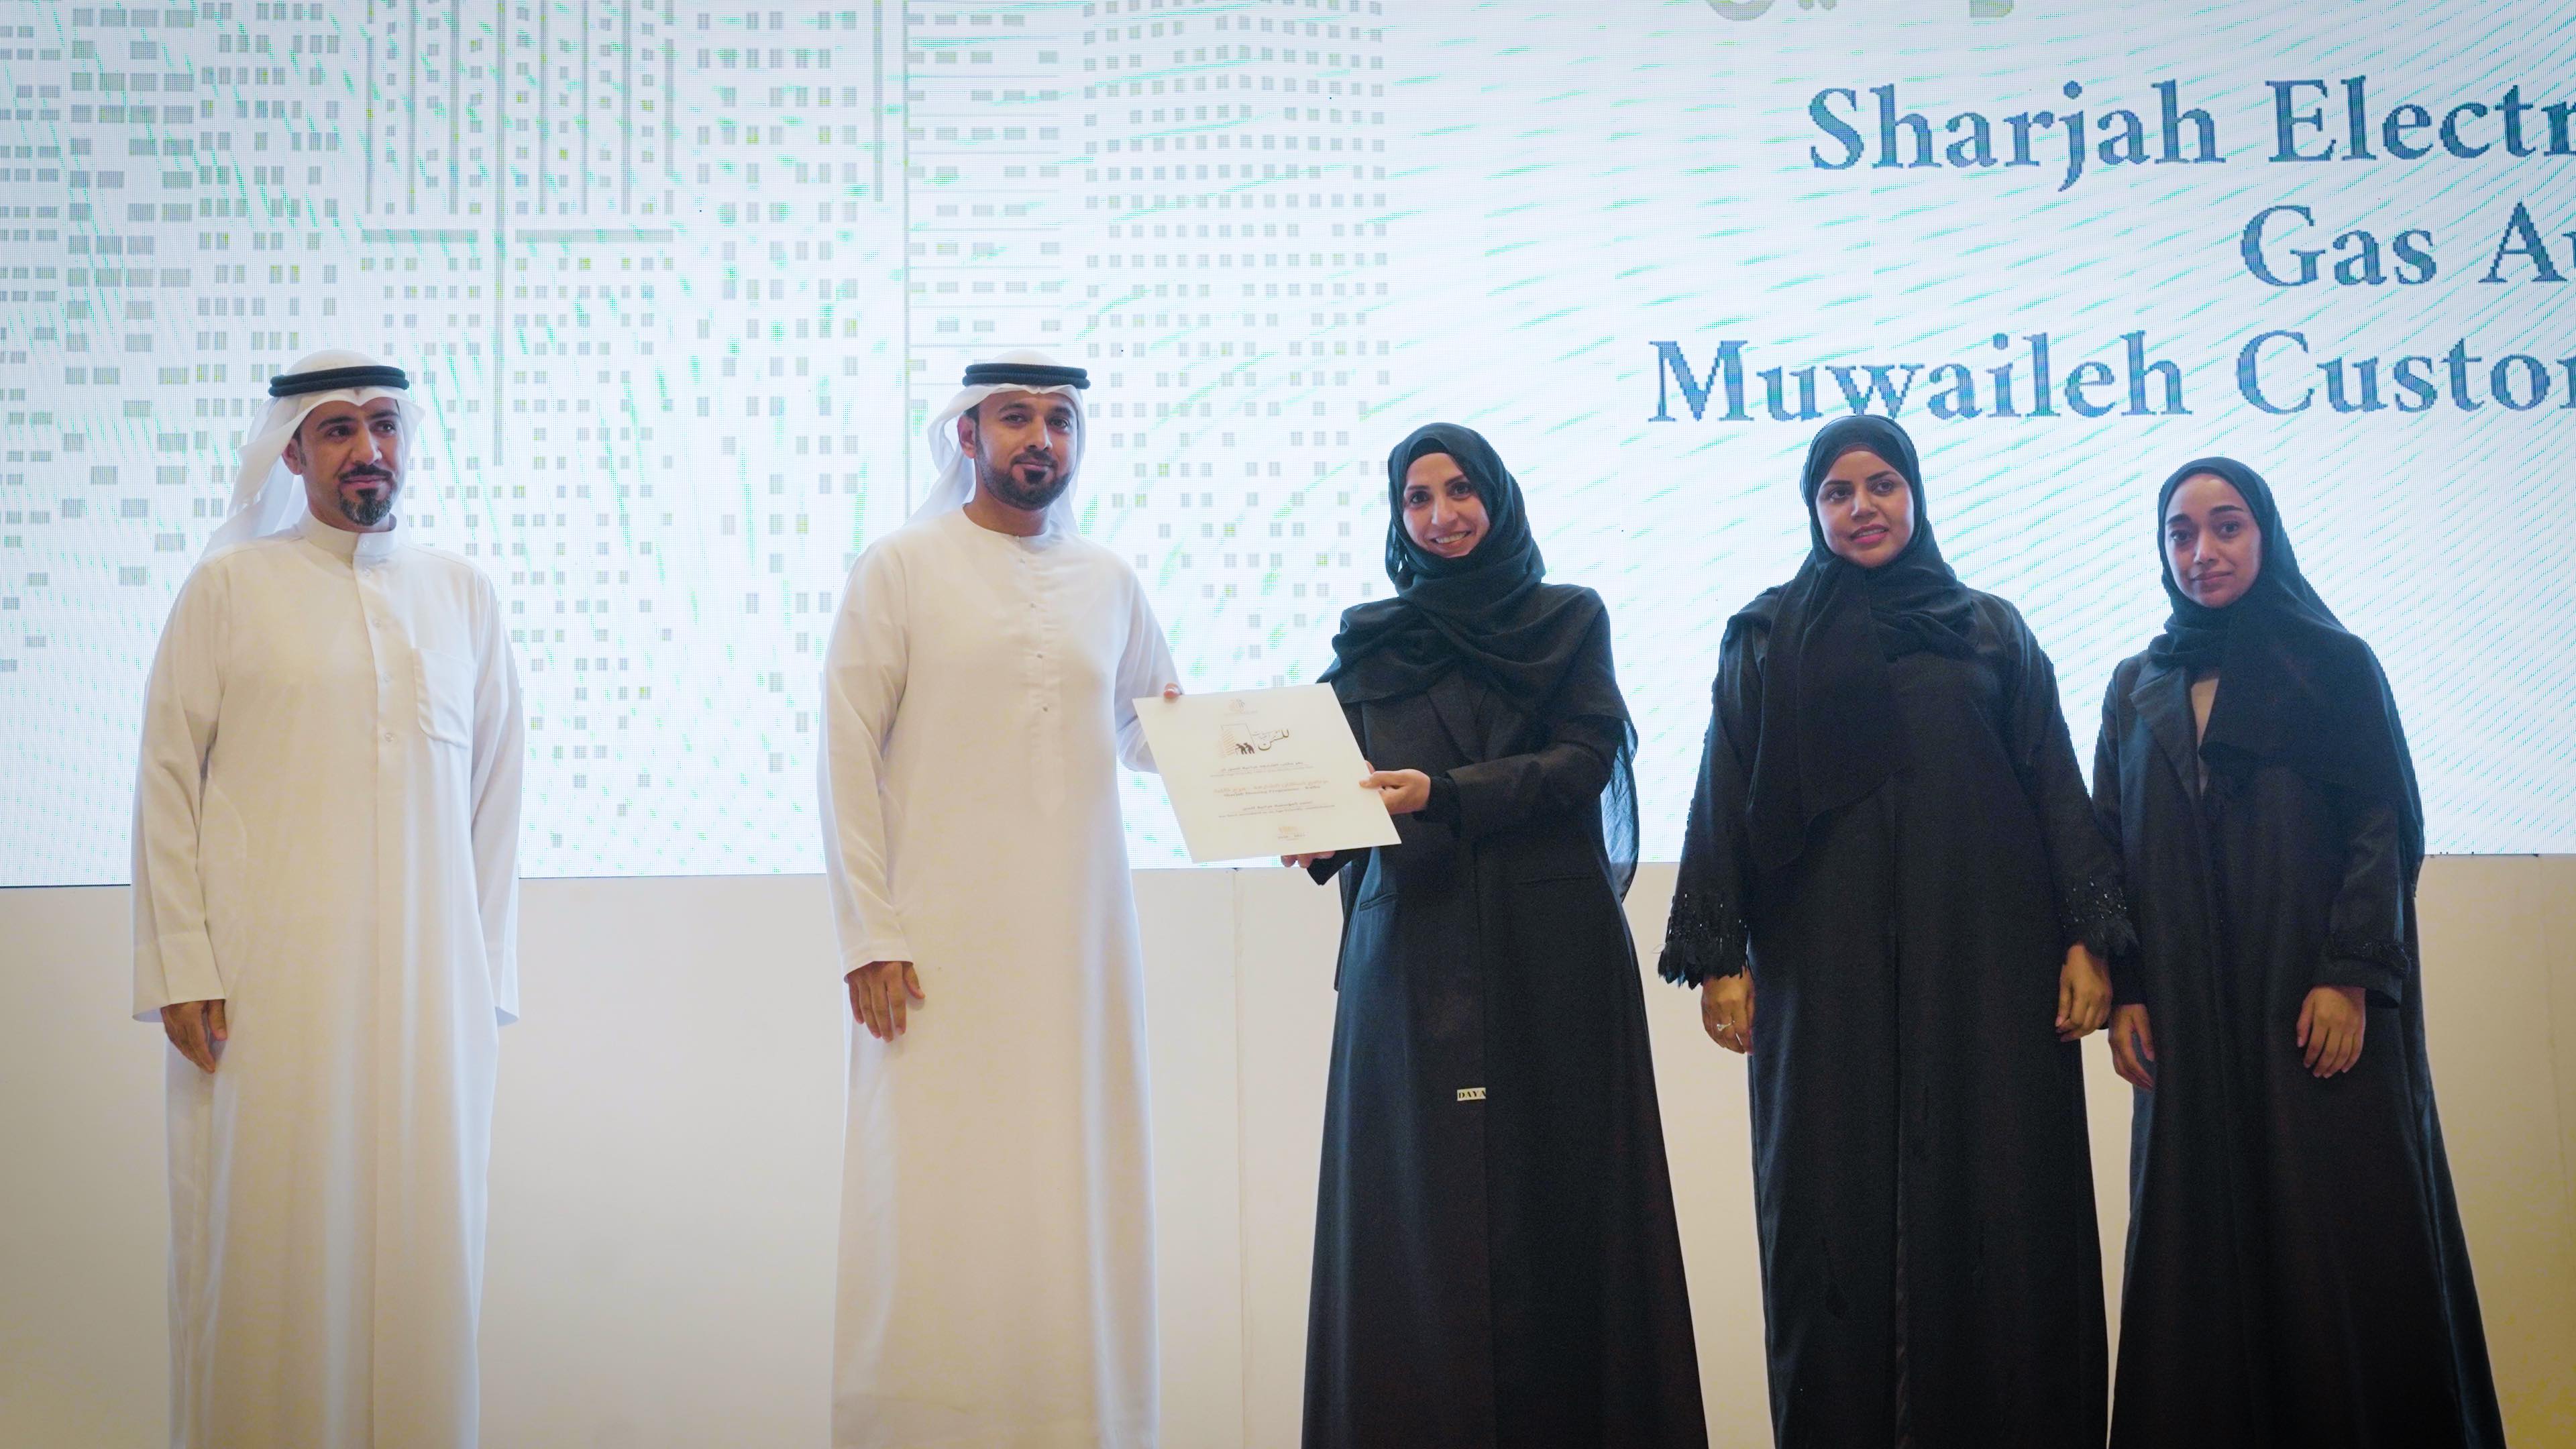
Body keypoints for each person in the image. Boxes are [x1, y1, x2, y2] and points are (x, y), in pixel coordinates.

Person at [1657, 415, 2127, 1449]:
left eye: (1881, 486)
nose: (1861, 508)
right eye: (1838, 491)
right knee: (1830, 1216)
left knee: (2004, 1208)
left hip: (1990, 968)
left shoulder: (1990, 630)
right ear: (1813, 509)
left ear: (1915, 495)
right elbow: (1723, 788)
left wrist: (2089, 941)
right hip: (1823, 974)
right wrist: (1719, 955)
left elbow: (2053, 783)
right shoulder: (1766, 636)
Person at [131, 350, 523, 1448]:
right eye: (340, 429)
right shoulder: (228, 590)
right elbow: (166, 782)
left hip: (429, 1002)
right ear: (294, 451)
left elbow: (498, 797)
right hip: (269, 998)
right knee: (269, 1249)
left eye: (385, 425)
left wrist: (480, 982)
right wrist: (181, 966)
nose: (367, 450)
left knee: (422, 1252)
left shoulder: (462, 595)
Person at [1293, 424, 1705, 1449]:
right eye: (1417, 498)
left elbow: (1586, 759)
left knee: (1563, 1209)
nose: (1440, 515)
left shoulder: (1566, 619)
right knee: (1413, 1215)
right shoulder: (1369, 641)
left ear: (1499, 498)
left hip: (1549, 950)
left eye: (1460, 490)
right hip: (1409, 952)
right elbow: (1337, 788)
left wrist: (1445, 792)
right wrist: (1307, 828)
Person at [2093, 458, 2504, 1449]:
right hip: (2189, 1015)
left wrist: (2349, 975)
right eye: (2181, 533)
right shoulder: (2136, 686)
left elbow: (2382, 824)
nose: (2203, 551)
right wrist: (2127, 988)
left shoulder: (2334, 663)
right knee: (2200, 1254)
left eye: (2227, 526)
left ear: (2266, 535)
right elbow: (2109, 845)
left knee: (2338, 1252)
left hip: (2314, 1009)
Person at [818, 352, 1179, 1449]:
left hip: (1078, 959)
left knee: (1071, 1188)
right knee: (935, 1195)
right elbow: (845, 754)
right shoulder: (901, 567)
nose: (1041, 440)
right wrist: (869, 935)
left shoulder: (1110, 580)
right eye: (1016, 417)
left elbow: (1157, 729)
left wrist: (1289, 790)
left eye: (1060, 419)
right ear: (967, 434)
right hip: (933, 954)